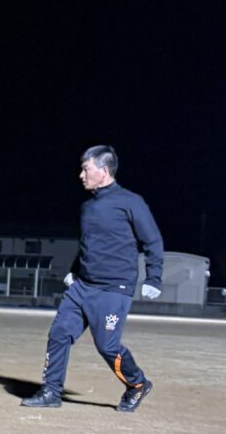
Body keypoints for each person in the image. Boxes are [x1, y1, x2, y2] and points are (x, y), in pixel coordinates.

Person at [22, 145, 164, 412]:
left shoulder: (131, 203)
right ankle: (51, 391)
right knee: (59, 334)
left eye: (86, 169)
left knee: (108, 346)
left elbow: (152, 241)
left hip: (114, 289)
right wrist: (74, 269)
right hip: (82, 286)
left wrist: (154, 278)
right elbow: (89, 244)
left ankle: (137, 384)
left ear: (104, 171)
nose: (81, 175)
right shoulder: (87, 207)